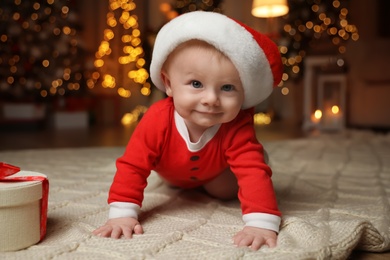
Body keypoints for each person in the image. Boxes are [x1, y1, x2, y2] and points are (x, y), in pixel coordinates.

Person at [93, 11, 283, 250]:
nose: (211, 99)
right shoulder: (158, 118)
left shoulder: (237, 123)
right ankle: (186, 181)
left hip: (215, 172)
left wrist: (261, 222)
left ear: (244, 92)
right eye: (196, 84)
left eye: (227, 87)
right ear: (169, 84)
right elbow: (133, 164)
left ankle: (255, 156)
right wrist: (122, 213)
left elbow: (251, 171)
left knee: (226, 188)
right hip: (171, 171)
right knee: (172, 182)